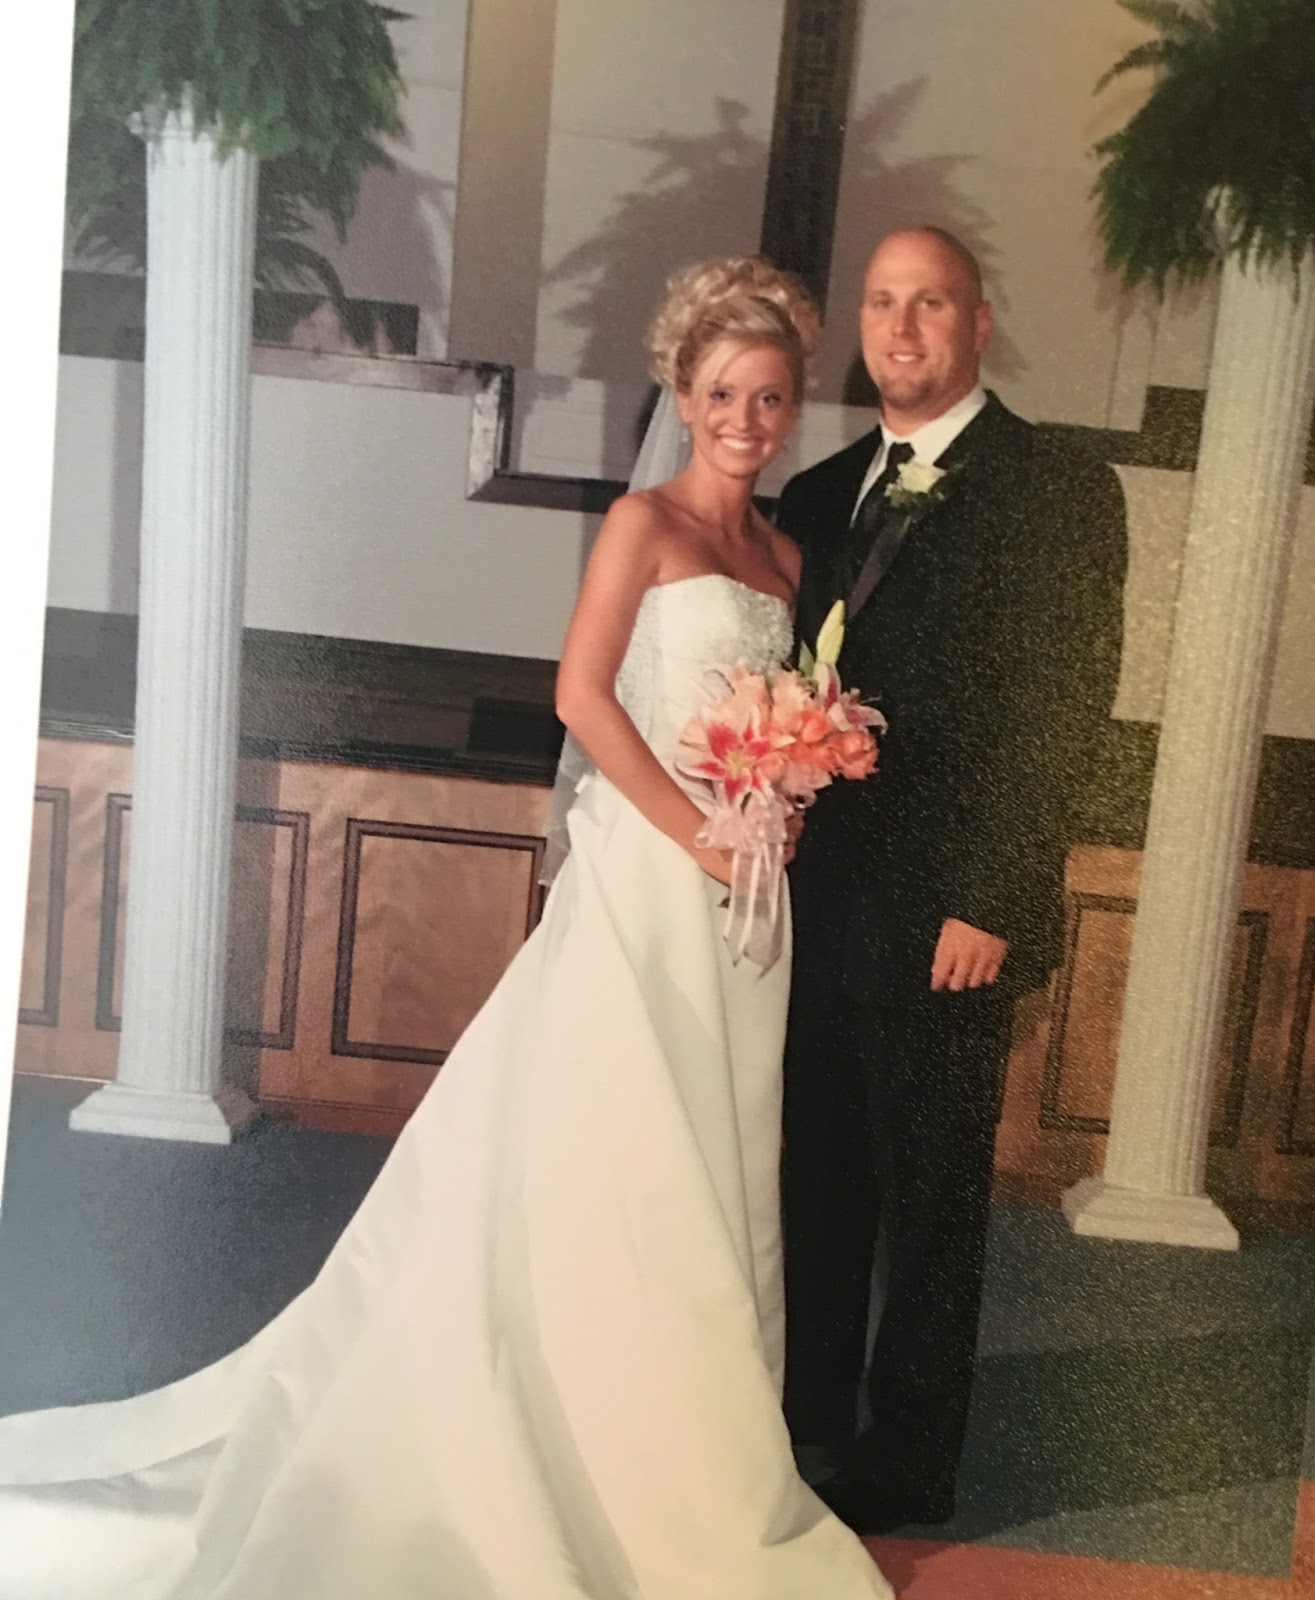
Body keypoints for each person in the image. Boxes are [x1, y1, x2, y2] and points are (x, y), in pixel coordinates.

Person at [0, 257, 893, 1600]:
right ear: (683, 392)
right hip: (649, 884)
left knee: (722, 1153)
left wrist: (783, 794)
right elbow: (584, 699)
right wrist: (697, 831)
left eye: (769, 398)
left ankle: (690, 1446)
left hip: (745, 905)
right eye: (722, 394)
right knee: (628, 1152)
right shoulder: (643, 526)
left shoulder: (784, 558)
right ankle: (580, 1436)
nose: (746, 421)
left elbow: (773, 720)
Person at [777, 226, 1129, 1535]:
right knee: (816, 1180)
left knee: (929, 1203)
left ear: (980, 323)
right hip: (816, 907)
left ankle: (909, 1463)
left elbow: (1064, 711)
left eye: (931, 303)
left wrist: (991, 895)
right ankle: (804, 1418)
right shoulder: (819, 492)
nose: (903, 327)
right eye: (882, 302)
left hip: (945, 915)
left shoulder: (1056, 488)